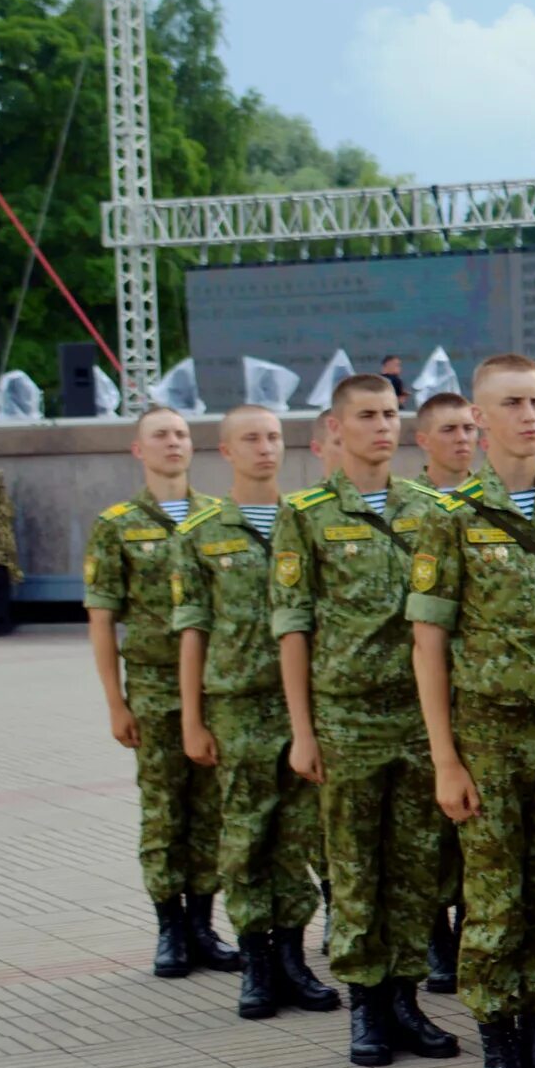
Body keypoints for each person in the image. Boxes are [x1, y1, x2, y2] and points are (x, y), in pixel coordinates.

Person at [408, 356, 535, 1068]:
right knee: (494, 901)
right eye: (511, 403)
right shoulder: (448, 516)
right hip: (487, 733)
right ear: (478, 419)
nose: (528, 415)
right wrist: (444, 757)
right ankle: (501, 1056)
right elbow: (428, 643)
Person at [274, 375, 457, 1068]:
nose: (382, 426)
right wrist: (303, 728)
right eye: (367, 416)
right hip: (347, 717)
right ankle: (366, 1006)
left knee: (415, 867)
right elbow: (292, 625)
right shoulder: (308, 513)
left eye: (390, 414)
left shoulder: (430, 507)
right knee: (353, 867)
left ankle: (407, 998)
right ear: (335, 429)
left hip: (416, 717)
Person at [173, 404, 338, 1020]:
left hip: (304, 704)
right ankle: (257, 961)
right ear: (225, 452)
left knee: (299, 834)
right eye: (251, 439)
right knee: (246, 835)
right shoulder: (202, 532)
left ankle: (294, 956)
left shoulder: (309, 520)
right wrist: (192, 718)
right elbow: (191, 630)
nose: (266, 449)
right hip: (239, 705)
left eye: (273, 437)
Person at [86, 405, 237, 978]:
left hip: (216, 687)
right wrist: (115, 702)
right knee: (163, 810)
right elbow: (102, 619)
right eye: (160, 436)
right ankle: (169, 928)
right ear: (138, 450)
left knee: (211, 811)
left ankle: (203, 923)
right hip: (152, 687)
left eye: (180, 434)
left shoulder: (218, 517)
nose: (172, 443)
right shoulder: (117, 524)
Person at [407, 391, 482, 992]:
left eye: (466, 428)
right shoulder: (442, 516)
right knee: (427, 846)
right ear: (424, 440)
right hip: (442, 708)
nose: (461, 439)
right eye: (448, 429)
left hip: (507, 713)